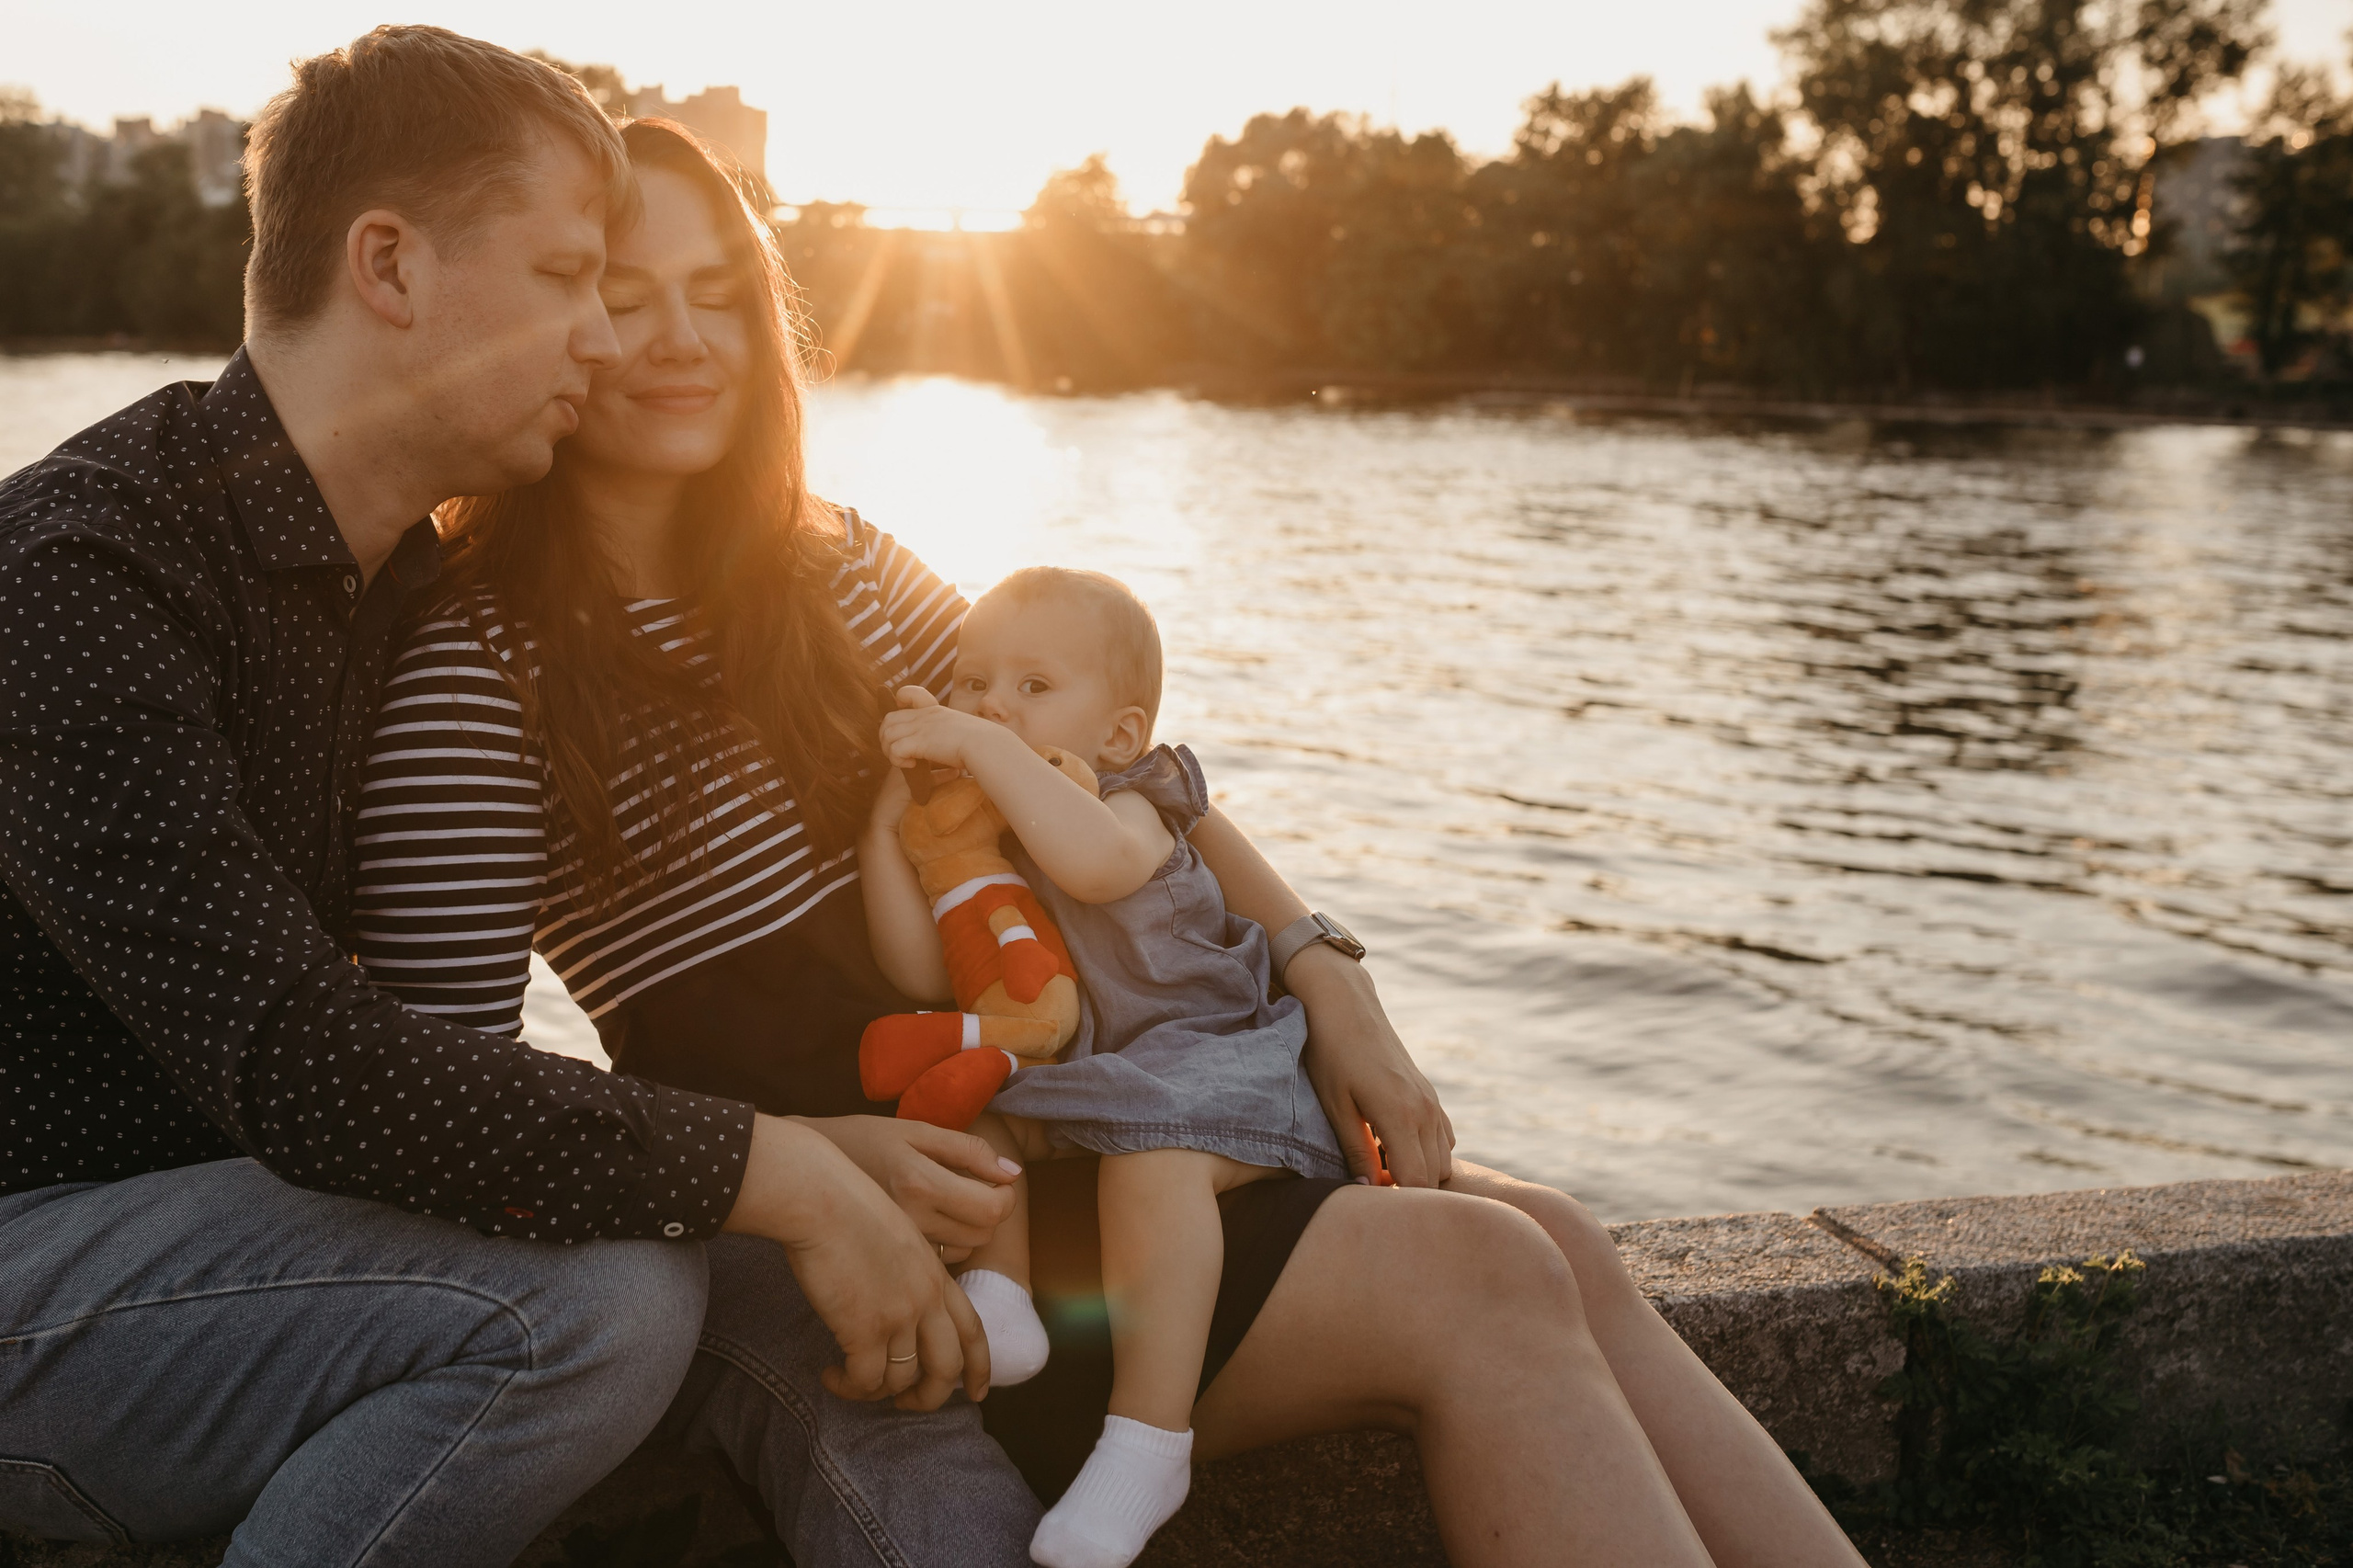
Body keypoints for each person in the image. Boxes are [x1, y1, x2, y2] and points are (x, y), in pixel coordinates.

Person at [356, 114, 1873, 1568]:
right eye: (626, 298)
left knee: (1561, 1242)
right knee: (1483, 1275)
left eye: (719, 296)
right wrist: (803, 1168)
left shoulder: (839, 569)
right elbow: (450, 1105)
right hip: (908, 1221)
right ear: (549, 315)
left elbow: (1129, 787)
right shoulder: (478, 673)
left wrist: (1321, 969)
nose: (685, 342)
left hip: (1068, 1108)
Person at [0, 29, 1039, 1567]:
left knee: (734, 1296)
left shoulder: (401, 592)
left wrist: (795, 1177)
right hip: (41, 1273)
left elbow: (420, 1078)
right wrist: (782, 1165)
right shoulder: (82, 575)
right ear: (390, 267)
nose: (610, 343)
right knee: (590, 1301)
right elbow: (304, 1064)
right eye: (567, 278)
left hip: (230, 1259)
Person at [857, 568, 1357, 1567]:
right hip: (1094, 1078)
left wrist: (984, 747)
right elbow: (918, 964)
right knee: (971, 1107)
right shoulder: (994, 837)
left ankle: (1146, 1440)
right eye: (971, 681)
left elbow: (1090, 865)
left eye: (1035, 685)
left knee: (1151, 1163)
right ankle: (1006, 1302)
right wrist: (886, 826)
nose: (991, 703)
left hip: (1212, 1065)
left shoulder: (1134, 805)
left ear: (1120, 734)